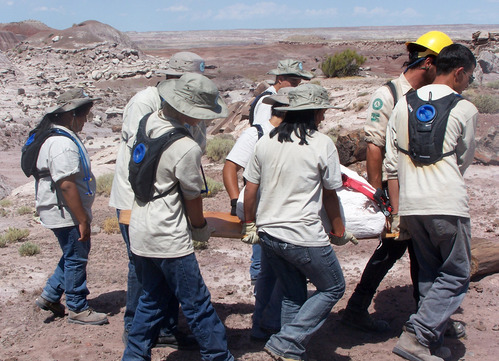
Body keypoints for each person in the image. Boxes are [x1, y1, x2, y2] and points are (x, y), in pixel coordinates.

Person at [342, 31, 457, 333]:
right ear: (429, 63)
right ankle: (418, 319)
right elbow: (374, 146)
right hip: (397, 191)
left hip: (424, 189)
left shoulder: (433, 94)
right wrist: (379, 193)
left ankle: (423, 317)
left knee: (420, 251)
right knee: (396, 248)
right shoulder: (390, 94)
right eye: (442, 65)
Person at [122, 73, 234, 361]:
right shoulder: (185, 147)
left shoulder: (147, 123)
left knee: (151, 299)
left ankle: (134, 356)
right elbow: (192, 196)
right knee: (197, 304)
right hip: (168, 236)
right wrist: (200, 228)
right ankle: (218, 356)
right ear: (188, 110)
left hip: (141, 227)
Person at [243, 84, 357, 361]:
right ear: (313, 112)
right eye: (322, 112)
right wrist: (339, 231)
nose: (324, 118)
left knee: (293, 294)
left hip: (269, 234)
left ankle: (289, 351)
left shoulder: (266, 141)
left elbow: (250, 188)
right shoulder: (321, 143)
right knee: (333, 287)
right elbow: (330, 195)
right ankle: (287, 341)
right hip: (303, 235)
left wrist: (250, 224)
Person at [109, 51, 210, 347]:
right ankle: (135, 328)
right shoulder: (146, 102)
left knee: (166, 264)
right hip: (136, 199)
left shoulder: (187, 107)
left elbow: (197, 146)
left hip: (166, 200)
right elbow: (145, 154)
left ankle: (164, 328)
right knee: (142, 267)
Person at [387, 43, 477, 361]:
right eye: (469, 77)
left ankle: (430, 342)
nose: (468, 83)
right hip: (446, 201)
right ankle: (418, 335)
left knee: (428, 272)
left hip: (412, 205)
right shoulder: (465, 109)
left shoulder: (402, 105)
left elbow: (391, 161)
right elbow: (464, 158)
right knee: (455, 273)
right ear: (459, 72)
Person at [224, 59, 313, 286]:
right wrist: (237, 201)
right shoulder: (267, 106)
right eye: (293, 81)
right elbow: (257, 145)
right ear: (280, 79)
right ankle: (260, 287)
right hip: (261, 187)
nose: (296, 85)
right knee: (262, 250)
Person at [33, 88, 108, 325]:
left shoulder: (58, 137)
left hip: (62, 209)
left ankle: (50, 296)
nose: (86, 120)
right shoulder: (61, 143)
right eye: (84, 115)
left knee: (71, 253)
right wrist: (82, 218)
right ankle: (77, 307)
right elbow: (66, 184)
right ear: (70, 114)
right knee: (77, 256)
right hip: (64, 211)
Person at [226, 88, 291, 341]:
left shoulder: (290, 134)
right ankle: (270, 323)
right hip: (266, 215)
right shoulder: (257, 133)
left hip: (279, 213)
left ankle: (263, 323)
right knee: (279, 270)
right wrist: (236, 203)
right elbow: (231, 167)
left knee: (270, 270)